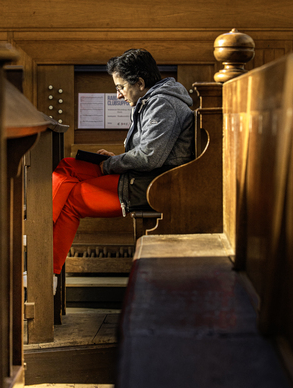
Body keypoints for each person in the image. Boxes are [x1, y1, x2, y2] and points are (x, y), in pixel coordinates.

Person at [52, 48, 195, 288]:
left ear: (139, 83)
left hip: (152, 184)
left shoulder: (163, 104)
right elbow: (149, 151)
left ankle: (47, 272)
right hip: (143, 175)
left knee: (73, 199)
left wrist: (110, 164)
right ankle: (43, 225)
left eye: (120, 87)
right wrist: (117, 160)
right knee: (67, 166)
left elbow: (149, 157)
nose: (118, 95)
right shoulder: (153, 99)